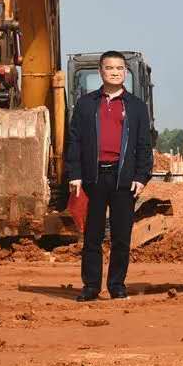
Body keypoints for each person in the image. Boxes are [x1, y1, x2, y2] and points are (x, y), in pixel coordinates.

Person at [66, 50, 153, 302]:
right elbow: (74, 141)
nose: (115, 72)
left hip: (123, 179)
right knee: (92, 236)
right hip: (93, 179)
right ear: (100, 71)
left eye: (119, 68)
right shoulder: (85, 105)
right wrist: (75, 174)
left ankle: (117, 285)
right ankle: (91, 286)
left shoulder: (136, 107)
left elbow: (144, 145)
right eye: (109, 68)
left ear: (125, 72)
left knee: (121, 237)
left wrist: (141, 176)